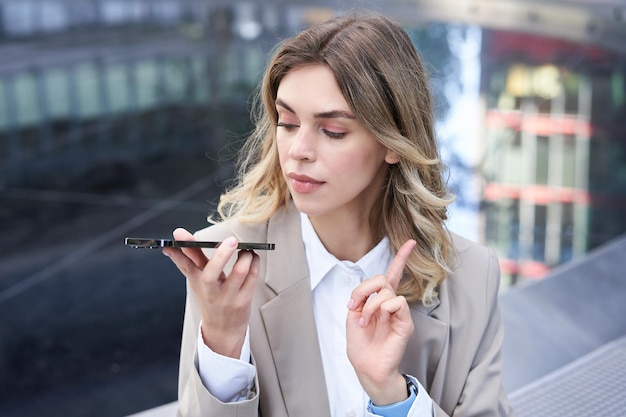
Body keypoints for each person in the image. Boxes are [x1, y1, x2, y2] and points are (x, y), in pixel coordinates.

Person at [163, 10, 514, 417]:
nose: (298, 151)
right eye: (288, 122)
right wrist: (223, 343)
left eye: (332, 131)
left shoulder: (470, 276)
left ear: (393, 142)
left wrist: (393, 397)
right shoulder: (225, 266)